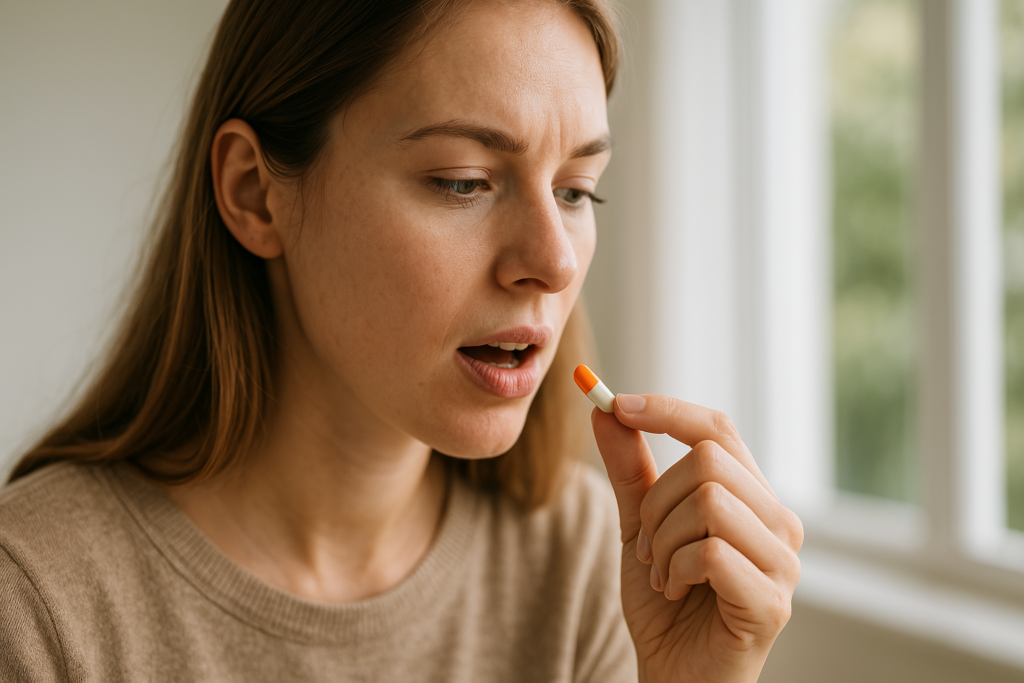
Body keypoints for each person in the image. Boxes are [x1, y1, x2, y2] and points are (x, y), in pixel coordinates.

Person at [0, 0, 803, 680]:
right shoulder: (36, 603)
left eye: (575, 189)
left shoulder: (585, 562)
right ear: (255, 193)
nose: (555, 260)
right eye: (463, 180)